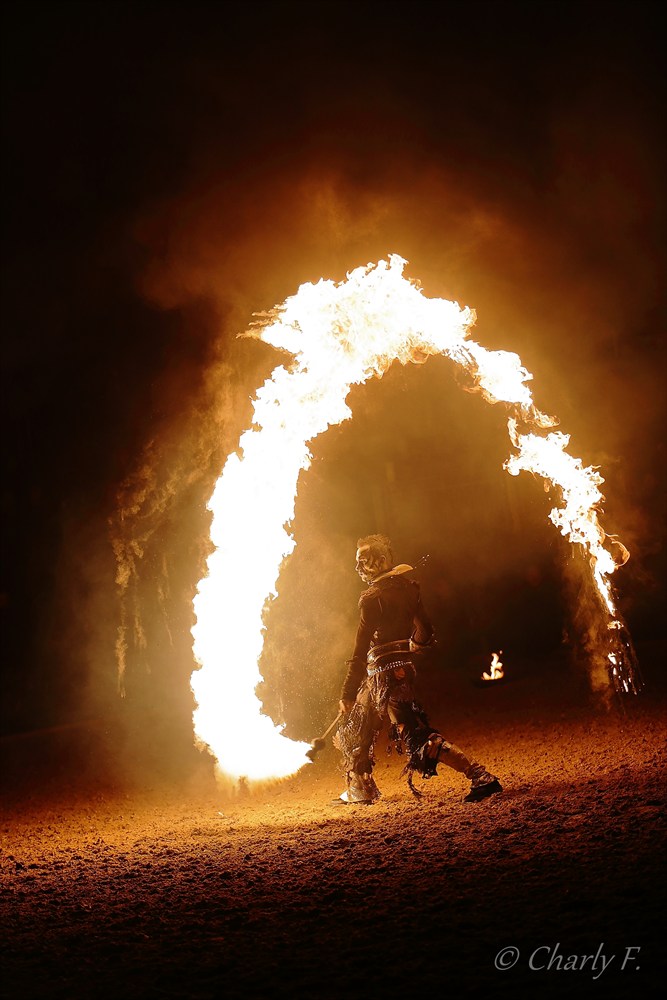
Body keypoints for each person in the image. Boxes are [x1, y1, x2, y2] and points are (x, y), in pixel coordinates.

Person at [334, 533, 502, 805]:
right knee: (359, 727)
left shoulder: (371, 598)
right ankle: (361, 788)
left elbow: (359, 649)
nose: (358, 567)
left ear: (382, 560)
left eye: (363, 561)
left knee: (415, 735)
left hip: (384, 677)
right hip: (395, 671)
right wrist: (409, 647)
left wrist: (346, 693)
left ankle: (480, 776)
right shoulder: (409, 588)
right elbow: (426, 630)